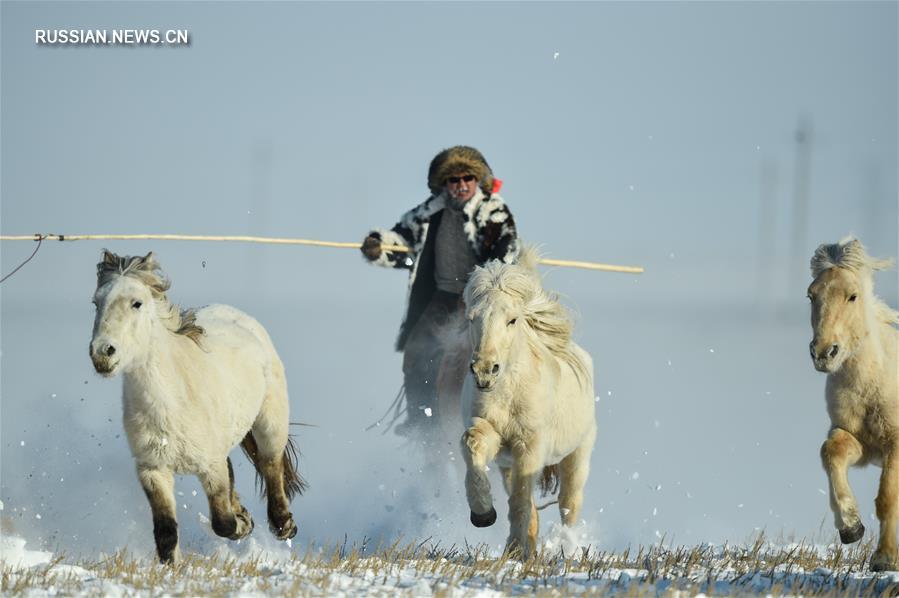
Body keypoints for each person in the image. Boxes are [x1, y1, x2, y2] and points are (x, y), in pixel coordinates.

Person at [361, 146, 519, 437]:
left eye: (467, 178)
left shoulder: (493, 212)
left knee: (483, 355)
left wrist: (488, 288)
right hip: (441, 298)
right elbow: (401, 243)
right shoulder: (428, 212)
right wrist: (377, 245)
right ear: (444, 184)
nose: (461, 185)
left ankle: (496, 417)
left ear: (477, 180)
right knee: (417, 351)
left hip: (478, 302)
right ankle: (422, 419)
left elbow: (505, 257)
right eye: (454, 179)